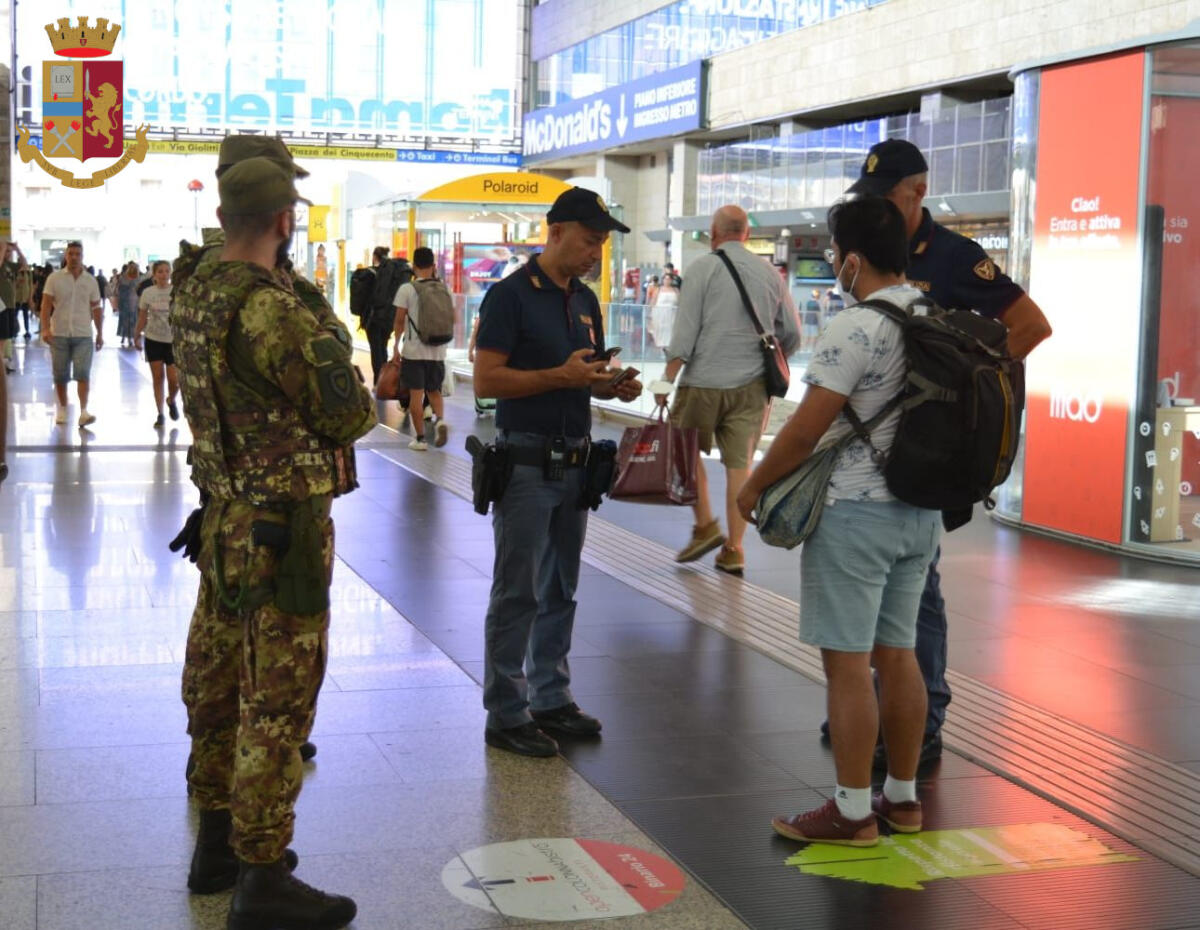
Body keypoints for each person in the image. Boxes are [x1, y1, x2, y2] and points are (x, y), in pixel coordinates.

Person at [172, 154, 374, 930]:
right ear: (285, 220)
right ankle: (261, 876)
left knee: (218, 680)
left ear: (223, 215)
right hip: (282, 532)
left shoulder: (196, 290)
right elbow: (347, 413)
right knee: (277, 701)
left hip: (222, 518)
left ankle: (216, 844)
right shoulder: (274, 311)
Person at [838, 138, 1052, 768]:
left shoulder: (955, 257)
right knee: (884, 586)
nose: (877, 211)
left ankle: (922, 717)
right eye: (870, 201)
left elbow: (1032, 326)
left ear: (918, 193)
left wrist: (970, 382)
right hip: (879, 446)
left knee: (917, 587)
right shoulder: (880, 253)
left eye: (887, 200)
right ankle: (882, 713)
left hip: (928, 448)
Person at [737, 196, 940, 846]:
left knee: (849, 666)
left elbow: (804, 431)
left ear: (851, 261)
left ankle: (853, 812)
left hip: (854, 516)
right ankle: (903, 801)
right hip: (920, 514)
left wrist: (753, 488)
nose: (833, 263)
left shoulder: (857, 326)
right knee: (899, 654)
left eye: (834, 255)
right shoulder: (934, 316)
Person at [473, 187, 643, 758]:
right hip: (523, 463)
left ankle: (551, 696)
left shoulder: (586, 301)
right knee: (517, 590)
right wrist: (562, 378)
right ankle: (506, 711)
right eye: (590, 238)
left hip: (575, 461)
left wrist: (608, 383)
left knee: (561, 590)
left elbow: (579, 373)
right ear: (556, 231)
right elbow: (488, 381)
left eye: (601, 241)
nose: (597, 250)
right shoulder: (509, 296)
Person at [655, 205, 802, 576]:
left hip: (703, 381)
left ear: (713, 232)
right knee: (740, 465)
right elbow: (792, 334)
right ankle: (735, 550)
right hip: (752, 386)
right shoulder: (770, 273)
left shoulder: (702, 269)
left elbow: (685, 334)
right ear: (747, 235)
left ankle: (705, 525)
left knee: (684, 451)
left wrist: (665, 381)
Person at [391, 246, 450, 450]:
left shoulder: (407, 289)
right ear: (434, 266)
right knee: (434, 391)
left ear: (413, 267)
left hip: (414, 351)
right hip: (438, 351)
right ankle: (440, 420)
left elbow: (399, 321)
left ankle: (420, 439)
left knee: (416, 395)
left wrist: (396, 348)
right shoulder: (444, 288)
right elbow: (454, 319)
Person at [40, 241, 102, 428]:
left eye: (78, 254)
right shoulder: (54, 278)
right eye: (71, 254)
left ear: (82, 256)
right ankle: (63, 408)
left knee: (83, 374)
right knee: (60, 375)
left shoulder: (90, 281)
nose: (74, 257)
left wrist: (100, 333)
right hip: (58, 333)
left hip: (83, 334)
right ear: (66, 256)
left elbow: (97, 307)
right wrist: (45, 328)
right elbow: (46, 305)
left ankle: (83, 411)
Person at [134, 260, 180, 428]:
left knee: (174, 380)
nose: (163, 274)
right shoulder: (147, 293)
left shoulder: (176, 292)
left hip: (172, 340)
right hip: (153, 339)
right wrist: (137, 334)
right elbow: (142, 316)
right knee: (158, 378)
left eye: (167, 271)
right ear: (154, 274)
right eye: (160, 271)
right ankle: (160, 413)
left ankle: (171, 400)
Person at [365, 246, 410, 385]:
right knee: (382, 347)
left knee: (376, 350)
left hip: (375, 317)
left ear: (374, 257)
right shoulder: (395, 273)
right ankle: (383, 380)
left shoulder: (374, 273)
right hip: (390, 316)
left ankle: (378, 382)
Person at [648, 268, 678, 353]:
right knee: (660, 332)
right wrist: (650, 315)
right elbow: (653, 302)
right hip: (659, 315)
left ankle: (669, 350)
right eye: (665, 279)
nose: (667, 281)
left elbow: (679, 302)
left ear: (671, 280)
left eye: (669, 279)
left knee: (670, 332)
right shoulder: (658, 289)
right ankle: (661, 350)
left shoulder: (675, 290)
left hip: (672, 315)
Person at [116, 262, 140, 348]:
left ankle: (127, 337)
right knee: (129, 321)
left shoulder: (123, 278)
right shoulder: (136, 279)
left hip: (129, 302)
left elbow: (119, 291)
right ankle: (127, 337)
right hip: (129, 302)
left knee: (128, 321)